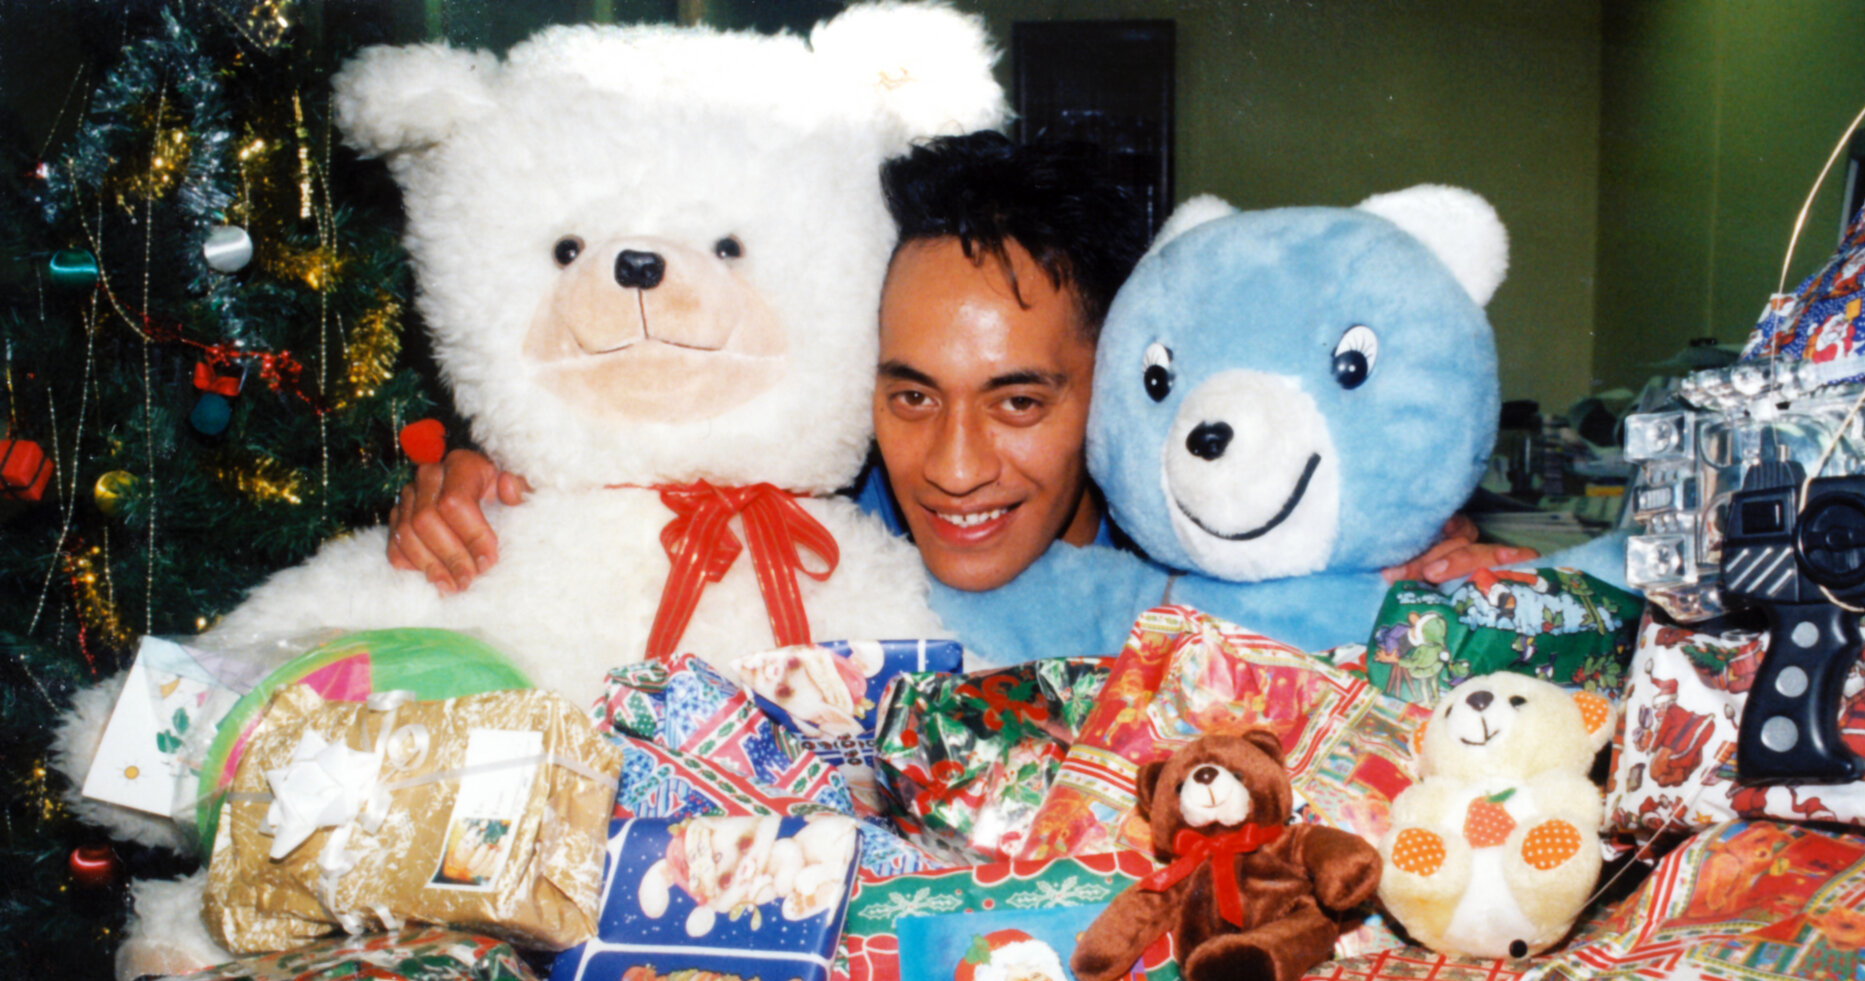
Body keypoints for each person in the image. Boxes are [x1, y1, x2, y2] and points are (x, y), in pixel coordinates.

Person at [387, 132, 1522, 599]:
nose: (956, 466)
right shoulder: (814, 541)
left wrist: (1418, 576)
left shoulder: (1212, 557)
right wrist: (501, 495)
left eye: (1020, 398)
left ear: (1121, 376)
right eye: (910, 393)